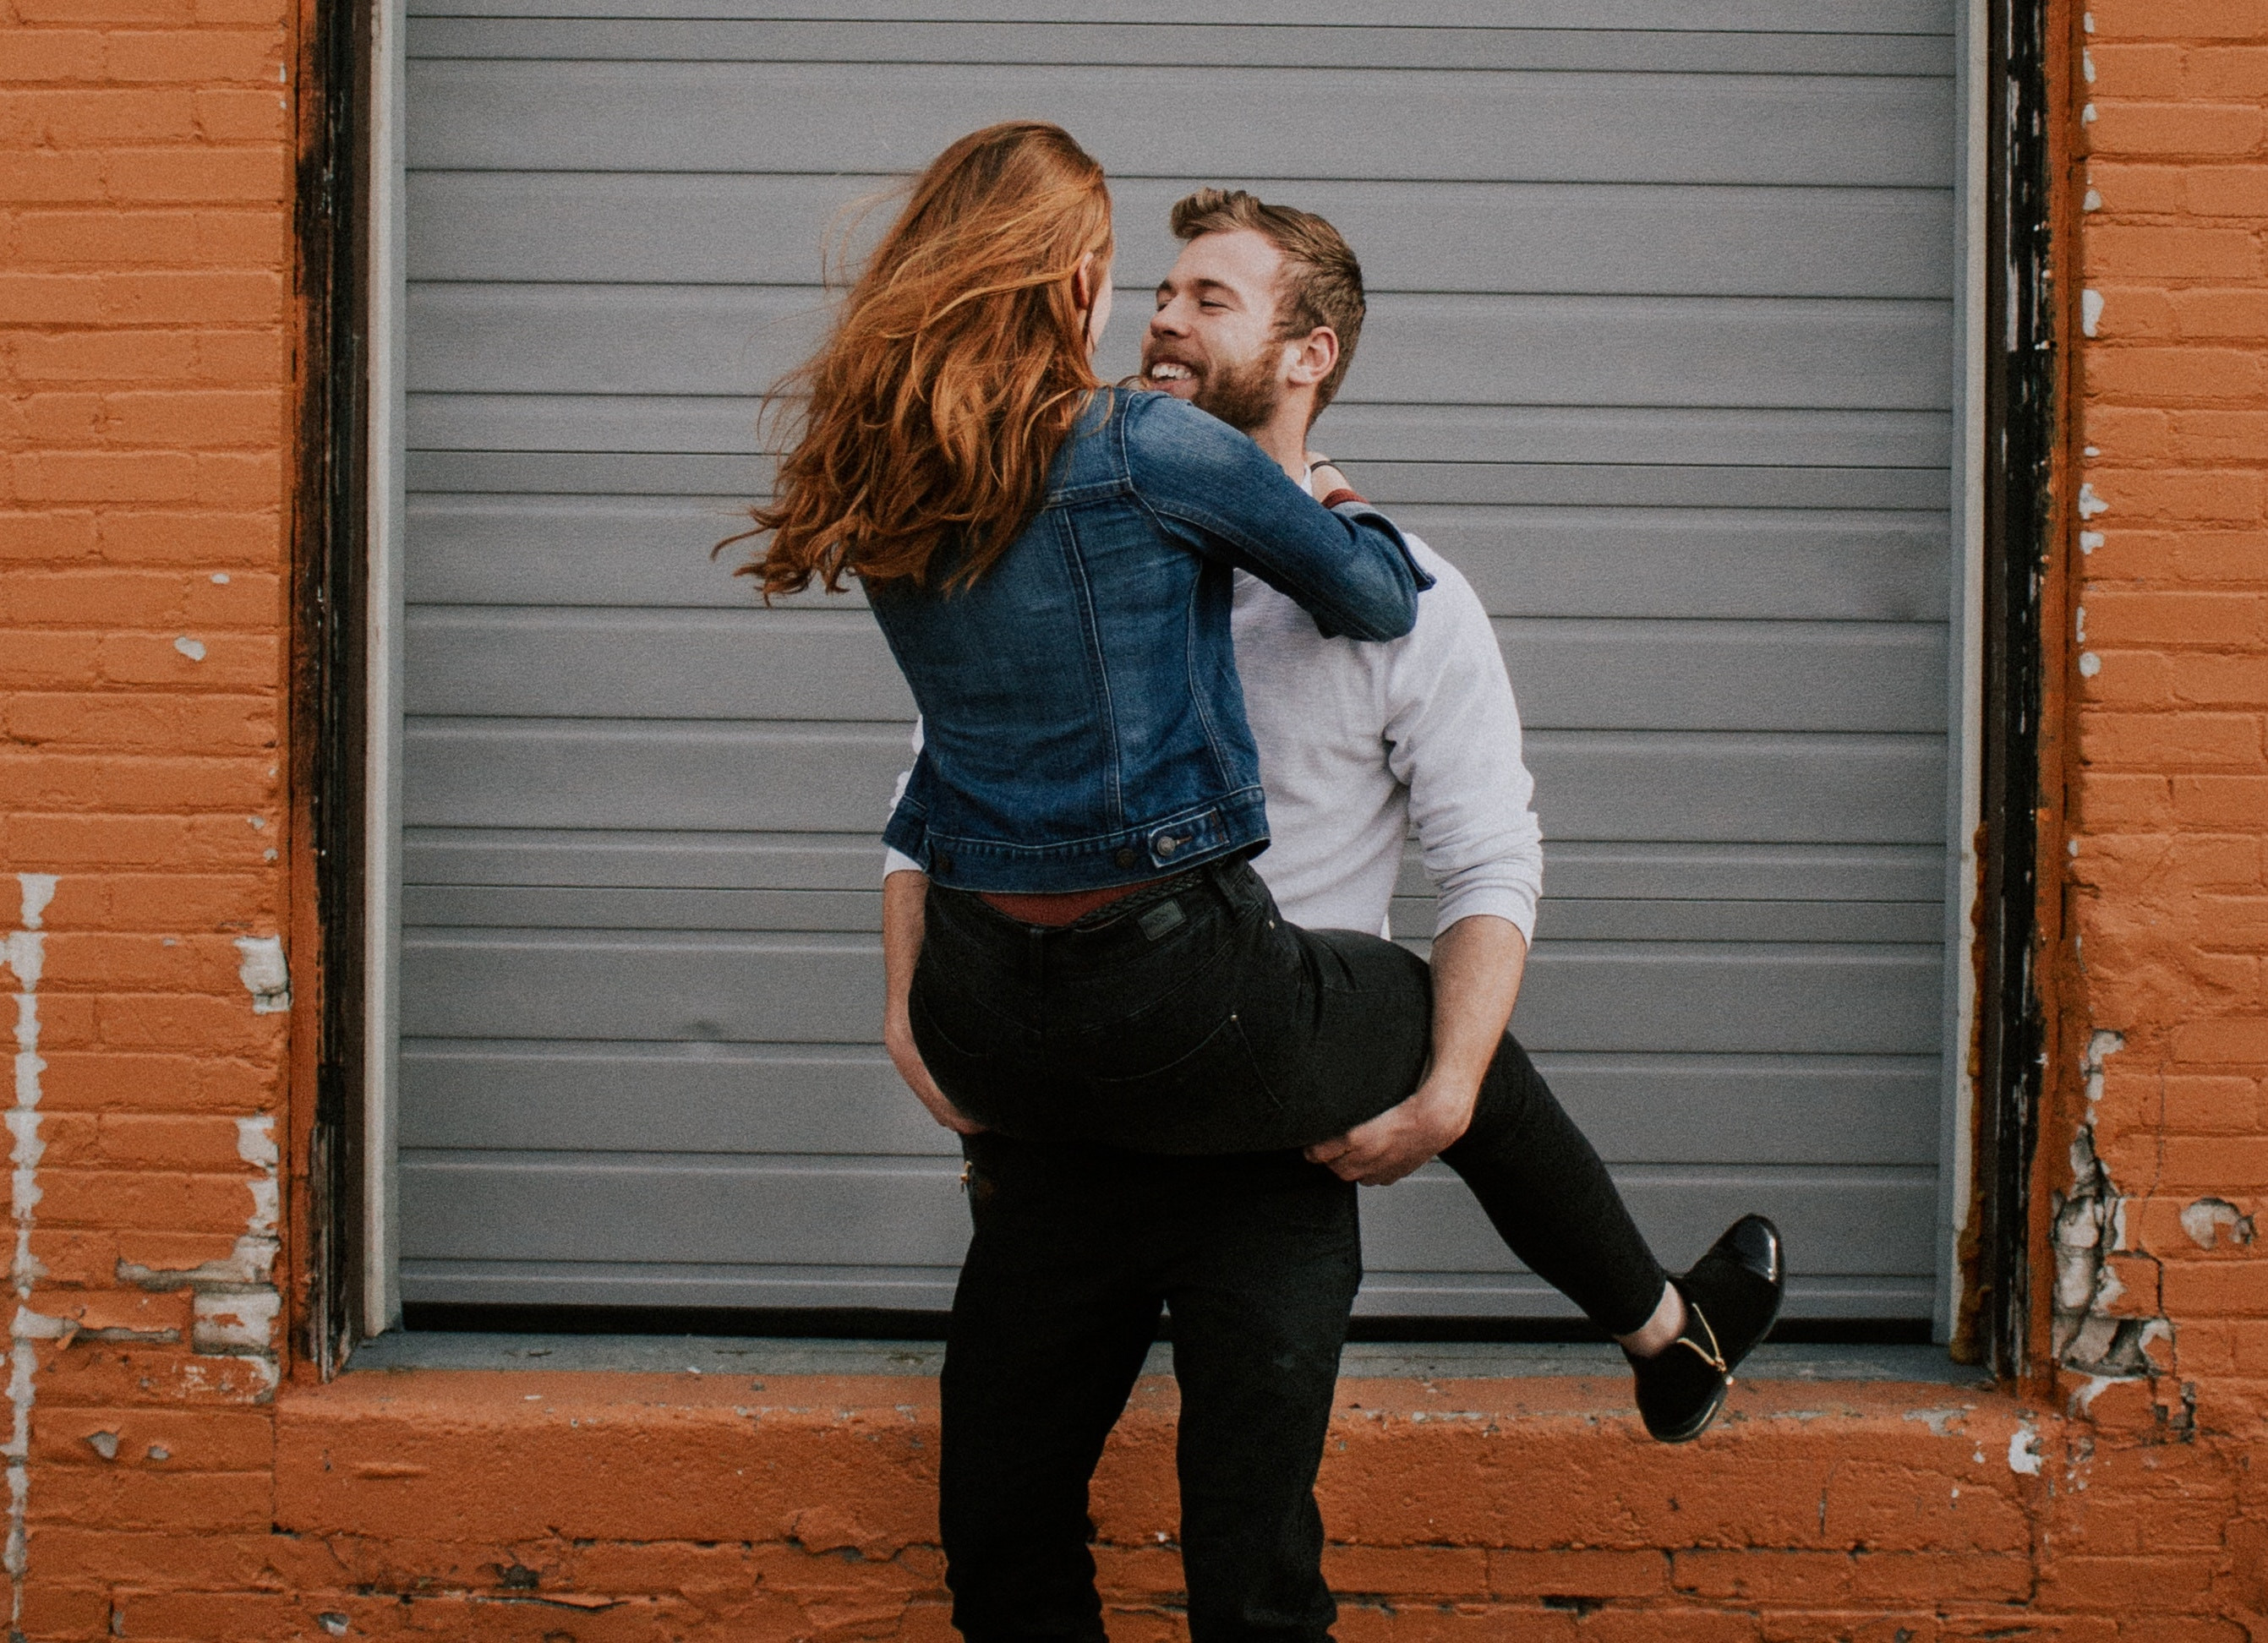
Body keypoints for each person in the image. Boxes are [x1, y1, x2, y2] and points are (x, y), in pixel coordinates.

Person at [732, 126, 1784, 1638]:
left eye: (1210, 299)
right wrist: (906, 1007)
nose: (1160, 316)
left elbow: (1492, 850)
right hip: (1084, 1107)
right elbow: (932, 789)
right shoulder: (1049, 499)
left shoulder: (1413, 600)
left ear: (1308, 354)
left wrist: (1448, 1093)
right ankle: (1662, 1327)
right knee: (999, 1527)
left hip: (1270, 1130)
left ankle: (1664, 1333)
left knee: (1250, 1571)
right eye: (1155, 288)